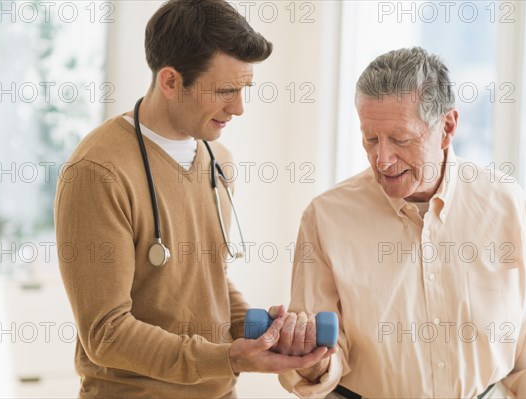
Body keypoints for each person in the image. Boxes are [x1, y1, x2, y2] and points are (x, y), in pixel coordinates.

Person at [54, 0, 332, 397]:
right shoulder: (98, 172)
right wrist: (229, 358)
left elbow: (207, 280)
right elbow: (106, 332)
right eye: (224, 91)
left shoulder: (219, 161)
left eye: (244, 89)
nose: (238, 108)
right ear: (170, 82)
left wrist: (259, 332)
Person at [278, 47, 526, 398]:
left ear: (447, 128)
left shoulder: (506, 205)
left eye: (400, 140)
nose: (382, 159)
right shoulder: (325, 218)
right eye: (370, 138)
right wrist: (307, 356)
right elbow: (321, 364)